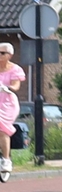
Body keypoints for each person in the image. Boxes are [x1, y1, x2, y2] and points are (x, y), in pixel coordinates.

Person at [0, 40, 22, 183]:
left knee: (2, 129)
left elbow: (16, 85)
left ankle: (6, 160)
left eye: (2, 53)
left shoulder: (15, 69)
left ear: (10, 55)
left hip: (8, 102)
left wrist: (8, 88)